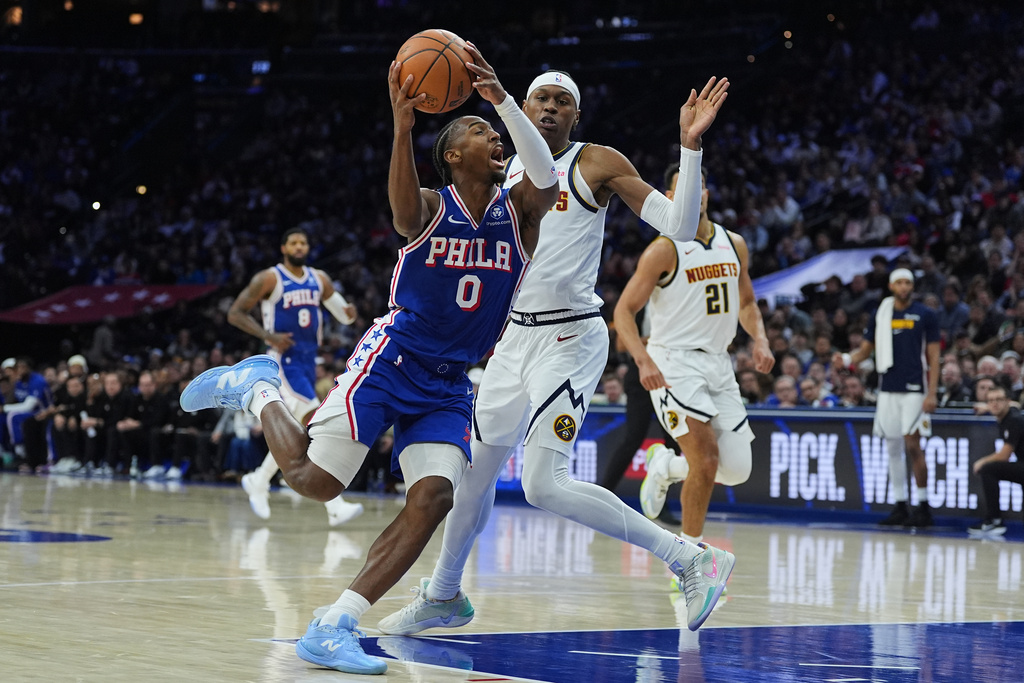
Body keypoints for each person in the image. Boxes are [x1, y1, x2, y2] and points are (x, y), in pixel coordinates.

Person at [179, 43, 559, 675]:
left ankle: (334, 623)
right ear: (452, 154)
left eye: (496, 132)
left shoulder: (519, 211)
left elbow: (544, 177)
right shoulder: (433, 207)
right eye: (479, 131)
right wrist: (403, 127)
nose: (495, 137)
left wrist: (498, 98)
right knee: (315, 483)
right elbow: (401, 210)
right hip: (392, 361)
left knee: (434, 497)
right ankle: (257, 389)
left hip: (446, 384)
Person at [380, 69, 734, 638]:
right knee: (472, 477)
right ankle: (443, 593)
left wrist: (689, 148)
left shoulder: (595, 162)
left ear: (575, 116)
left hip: (570, 337)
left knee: (544, 484)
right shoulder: (499, 169)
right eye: (540, 98)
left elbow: (683, 226)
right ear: (524, 106)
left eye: (561, 101)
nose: (549, 108)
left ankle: (690, 557)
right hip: (511, 340)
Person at [615, 167, 774, 544]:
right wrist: (643, 360)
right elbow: (623, 311)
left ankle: (666, 464)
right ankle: (689, 558)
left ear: (706, 193)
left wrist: (761, 339)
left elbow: (747, 302)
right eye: (684, 187)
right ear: (670, 197)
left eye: (699, 185)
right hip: (673, 362)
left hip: (719, 362)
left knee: (735, 470)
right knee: (704, 459)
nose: (694, 192)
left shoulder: (734, 243)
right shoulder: (663, 248)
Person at [227, 227, 364, 525]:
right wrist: (267, 335)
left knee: (299, 431)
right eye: (294, 243)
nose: (299, 247)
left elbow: (345, 315)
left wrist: (349, 312)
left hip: (306, 362)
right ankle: (334, 505)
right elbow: (235, 313)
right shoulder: (269, 278)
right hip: (283, 361)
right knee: (313, 421)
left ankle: (259, 480)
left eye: (304, 243)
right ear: (284, 247)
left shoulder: (320, 279)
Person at [833, 268, 940, 528]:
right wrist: (847, 359)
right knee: (892, 447)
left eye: (908, 282)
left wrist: (933, 392)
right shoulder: (880, 313)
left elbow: (935, 356)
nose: (904, 287)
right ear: (891, 286)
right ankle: (900, 505)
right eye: (900, 282)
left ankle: (923, 506)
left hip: (915, 387)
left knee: (913, 445)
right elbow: (866, 350)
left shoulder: (925, 314)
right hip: (888, 387)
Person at [968, 384, 1024, 537]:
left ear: (1007, 401)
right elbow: (1014, 405)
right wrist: (986, 408)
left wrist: (982, 461)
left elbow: (1004, 455)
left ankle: (994, 520)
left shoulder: (1013, 420)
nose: (994, 403)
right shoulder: (1010, 413)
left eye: (999, 399)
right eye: (991, 400)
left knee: (988, 469)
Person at [0, 357, 52, 473]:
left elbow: (28, 406)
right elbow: (14, 401)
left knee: (13, 416)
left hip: (44, 412)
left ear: (29, 368)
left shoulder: (37, 381)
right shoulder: (19, 382)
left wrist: (4, 408)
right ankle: (12, 453)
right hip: (30, 414)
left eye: (23, 367)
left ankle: (21, 452)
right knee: (10, 417)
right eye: (18, 368)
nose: (20, 370)